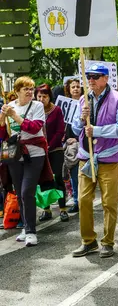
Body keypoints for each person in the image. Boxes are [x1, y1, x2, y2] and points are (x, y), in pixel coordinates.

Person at [71, 64, 118, 258]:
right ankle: (88, 241)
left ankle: (108, 241)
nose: (91, 80)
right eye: (89, 76)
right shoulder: (82, 99)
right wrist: (81, 119)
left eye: (96, 76)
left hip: (109, 158)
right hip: (86, 158)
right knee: (83, 200)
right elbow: (75, 131)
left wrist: (97, 130)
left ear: (106, 78)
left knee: (109, 203)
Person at [0, 76, 54, 246]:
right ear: (17, 91)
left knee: (26, 192)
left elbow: (35, 127)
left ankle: (31, 231)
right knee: (19, 192)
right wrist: (3, 118)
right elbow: (3, 135)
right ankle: (26, 227)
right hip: (15, 155)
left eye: (32, 89)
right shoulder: (10, 107)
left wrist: (15, 116)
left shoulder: (37, 106)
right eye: (26, 89)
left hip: (35, 154)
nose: (30, 92)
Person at [36, 84, 69, 222]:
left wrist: (49, 145)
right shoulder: (34, 110)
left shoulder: (56, 110)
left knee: (57, 177)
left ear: (50, 97)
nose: (42, 99)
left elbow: (60, 131)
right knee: (43, 179)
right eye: (39, 96)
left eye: (45, 96)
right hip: (38, 150)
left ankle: (62, 209)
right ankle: (46, 209)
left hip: (55, 149)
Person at [64, 78, 82, 213]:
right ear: (69, 90)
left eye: (78, 86)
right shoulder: (65, 106)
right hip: (69, 145)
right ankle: (76, 201)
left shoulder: (86, 103)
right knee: (74, 174)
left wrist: (77, 139)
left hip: (83, 142)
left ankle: (83, 200)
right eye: (73, 87)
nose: (75, 89)